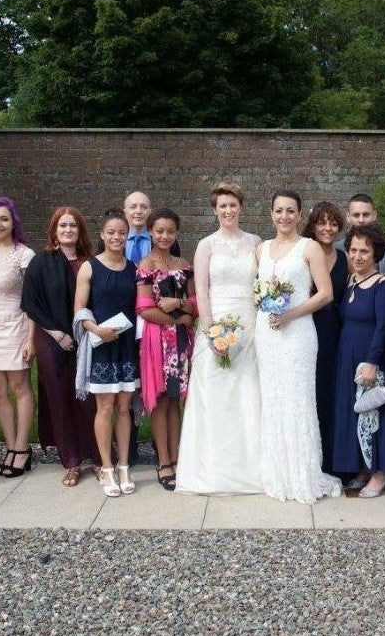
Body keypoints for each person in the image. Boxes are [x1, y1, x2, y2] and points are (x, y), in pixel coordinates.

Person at [175, 182, 263, 495]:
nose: (228, 211)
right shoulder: (206, 246)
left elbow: (261, 285)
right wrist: (212, 332)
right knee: (216, 396)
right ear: (215, 210)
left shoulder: (256, 242)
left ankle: (253, 471)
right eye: (222, 206)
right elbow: (201, 291)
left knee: (248, 396)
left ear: (241, 207)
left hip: (250, 325)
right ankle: (212, 471)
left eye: (233, 205)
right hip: (217, 326)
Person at [255, 190, 342, 504]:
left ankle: (302, 473)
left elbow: (325, 294)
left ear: (299, 214)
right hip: (266, 336)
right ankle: (276, 470)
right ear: (271, 213)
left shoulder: (310, 248)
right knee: (273, 399)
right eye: (278, 211)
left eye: (290, 211)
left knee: (297, 398)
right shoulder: (261, 249)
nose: (284, 217)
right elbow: (259, 289)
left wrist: (290, 314)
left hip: (298, 334)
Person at [21, 207, 100, 487]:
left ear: (80, 231)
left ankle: (98, 458)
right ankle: (72, 462)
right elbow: (30, 303)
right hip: (52, 340)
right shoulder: (41, 262)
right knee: (60, 399)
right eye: (63, 226)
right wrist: (57, 334)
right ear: (54, 230)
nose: (68, 230)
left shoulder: (90, 262)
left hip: (87, 339)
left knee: (90, 400)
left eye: (73, 226)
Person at [330, 223, 385, 497]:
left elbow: (384, 326)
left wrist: (372, 361)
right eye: (353, 250)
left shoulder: (383, 284)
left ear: (376, 254)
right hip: (346, 358)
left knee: (374, 414)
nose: (358, 256)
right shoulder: (350, 282)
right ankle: (363, 466)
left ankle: (382, 472)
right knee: (356, 415)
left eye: (364, 251)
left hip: (370, 359)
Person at [74, 209, 139, 497]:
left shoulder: (133, 269)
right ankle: (107, 467)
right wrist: (96, 330)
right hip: (102, 345)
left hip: (126, 347)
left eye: (121, 233)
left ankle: (124, 465)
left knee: (124, 408)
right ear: (102, 234)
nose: (116, 237)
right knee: (105, 408)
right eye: (111, 232)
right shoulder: (89, 267)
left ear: (127, 236)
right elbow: (79, 310)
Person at [0, 197, 37, 478]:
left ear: (13, 223)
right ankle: (11, 446)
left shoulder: (23, 254)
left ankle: (23, 449)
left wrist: (30, 338)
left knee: (19, 388)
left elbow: (32, 299)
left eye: (3, 219)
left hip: (17, 326)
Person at [136, 208, 196, 491]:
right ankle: (163, 461)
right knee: (160, 400)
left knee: (176, 400)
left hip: (181, 344)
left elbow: (195, 302)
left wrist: (181, 306)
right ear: (150, 231)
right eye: (159, 231)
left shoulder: (184, 264)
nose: (164, 236)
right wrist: (177, 319)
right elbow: (144, 308)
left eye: (170, 231)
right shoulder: (145, 266)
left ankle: (178, 455)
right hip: (157, 341)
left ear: (176, 233)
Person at [304, 201, 349, 473]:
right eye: (322, 223)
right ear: (313, 225)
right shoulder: (303, 253)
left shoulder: (344, 258)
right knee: (310, 390)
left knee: (330, 392)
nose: (328, 228)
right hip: (306, 326)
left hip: (335, 331)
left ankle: (331, 461)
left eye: (333, 223)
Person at [335, 194, 385, 275]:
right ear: (348, 217)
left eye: (366, 215)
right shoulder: (336, 249)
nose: (361, 220)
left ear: (374, 215)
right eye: (356, 215)